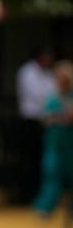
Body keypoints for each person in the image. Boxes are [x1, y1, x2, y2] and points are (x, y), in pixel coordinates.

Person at [13, 47, 57, 204]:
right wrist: (53, 104)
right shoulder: (27, 72)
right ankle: (25, 194)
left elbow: (54, 92)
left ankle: (39, 194)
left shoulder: (47, 74)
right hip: (30, 121)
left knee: (40, 159)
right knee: (28, 159)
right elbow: (39, 95)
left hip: (44, 121)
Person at [32, 61, 73, 217]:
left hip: (70, 142)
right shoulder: (52, 98)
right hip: (55, 143)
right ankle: (46, 206)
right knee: (52, 172)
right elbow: (45, 119)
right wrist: (61, 117)